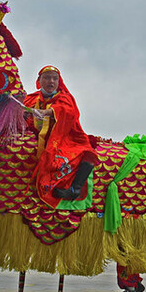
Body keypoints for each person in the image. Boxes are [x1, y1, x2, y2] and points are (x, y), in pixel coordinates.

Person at [24, 66, 97, 207]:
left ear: (59, 81)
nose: (51, 81)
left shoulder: (64, 97)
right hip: (38, 135)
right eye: (47, 77)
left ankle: (75, 189)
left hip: (66, 134)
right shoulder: (31, 99)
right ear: (39, 81)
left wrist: (48, 113)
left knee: (86, 152)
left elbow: (68, 112)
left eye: (54, 78)